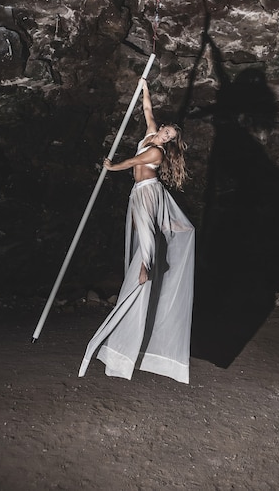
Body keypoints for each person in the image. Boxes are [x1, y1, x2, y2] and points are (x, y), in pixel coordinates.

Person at [78, 79, 195, 384]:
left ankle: (147, 265)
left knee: (146, 231)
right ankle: (150, 256)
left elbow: (131, 161)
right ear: (163, 128)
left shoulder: (155, 153)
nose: (165, 136)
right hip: (138, 192)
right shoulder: (150, 134)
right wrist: (144, 86)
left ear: (169, 143)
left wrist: (111, 167)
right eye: (167, 132)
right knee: (140, 230)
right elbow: (146, 108)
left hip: (148, 192)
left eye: (169, 137)